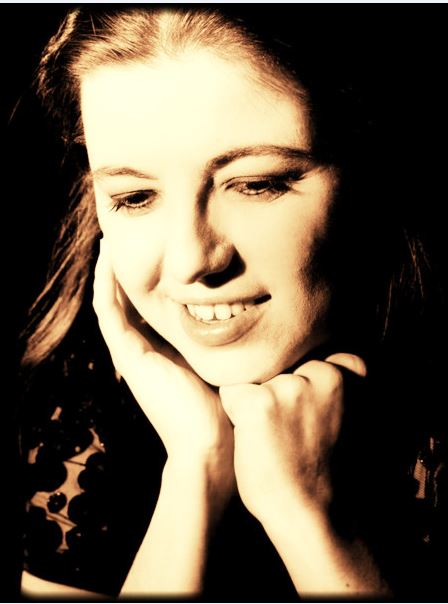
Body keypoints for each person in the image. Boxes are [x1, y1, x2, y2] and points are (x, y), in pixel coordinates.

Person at [16, 5, 446, 601]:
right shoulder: (95, 385)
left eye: (256, 184)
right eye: (135, 197)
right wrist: (195, 465)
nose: (191, 261)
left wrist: (308, 519)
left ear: (373, 173)